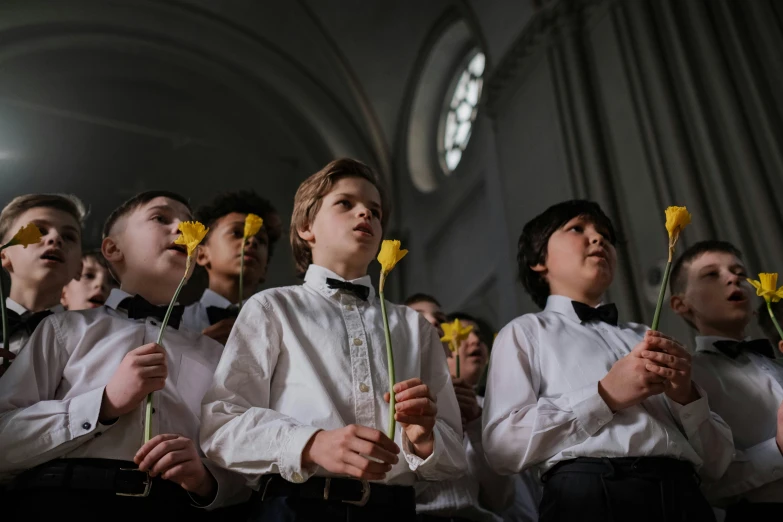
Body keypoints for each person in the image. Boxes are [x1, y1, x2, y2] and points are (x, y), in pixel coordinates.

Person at [201, 158, 467, 522]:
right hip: (295, 505)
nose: (365, 215)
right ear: (307, 227)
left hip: (394, 509)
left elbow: (455, 458)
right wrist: (310, 444)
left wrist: (424, 438)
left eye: (375, 211)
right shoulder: (272, 308)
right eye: (346, 203)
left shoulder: (413, 326)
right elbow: (221, 425)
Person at [0, 191, 248, 518]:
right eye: (161, 218)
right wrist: (102, 404)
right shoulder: (63, 329)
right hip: (63, 501)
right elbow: (4, 441)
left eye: (189, 223)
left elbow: (246, 466)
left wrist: (207, 480)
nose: (181, 228)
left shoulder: (217, 355)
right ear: (113, 249)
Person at [483, 200, 733, 522]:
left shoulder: (647, 335)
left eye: (605, 234)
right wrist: (604, 396)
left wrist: (686, 396)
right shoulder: (524, 333)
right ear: (538, 260)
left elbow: (718, 464)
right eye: (577, 229)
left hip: (683, 493)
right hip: (592, 495)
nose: (599, 239)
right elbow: (502, 446)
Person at [670, 240, 783, 519]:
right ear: (680, 303)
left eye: (740, 273)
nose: (733, 278)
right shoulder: (687, 380)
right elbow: (710, 485)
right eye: (712, 274)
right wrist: (778, 449)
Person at [182, 191, 280, 344]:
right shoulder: (175, 322)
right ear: (201, 255)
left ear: (265, 269)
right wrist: (198, 351)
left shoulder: (279, 329)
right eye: (236, 233)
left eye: (261, 240)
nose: (252, 241)